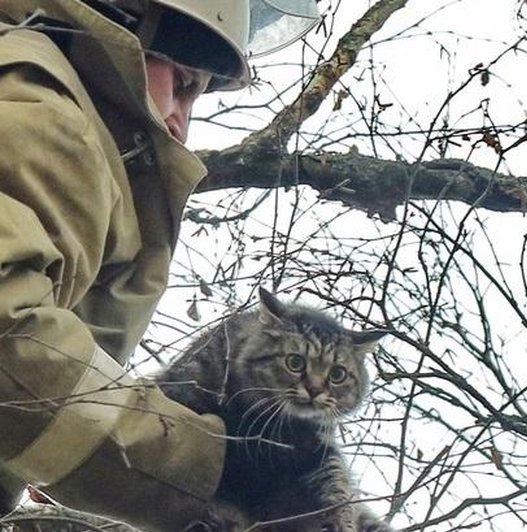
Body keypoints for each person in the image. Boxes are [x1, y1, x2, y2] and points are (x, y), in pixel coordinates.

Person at [0, 0, 318, 530]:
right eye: (185, 83)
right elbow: (7, 336)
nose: (179, 124)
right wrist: (211, 466)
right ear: (122, 25)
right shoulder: (48, 114)